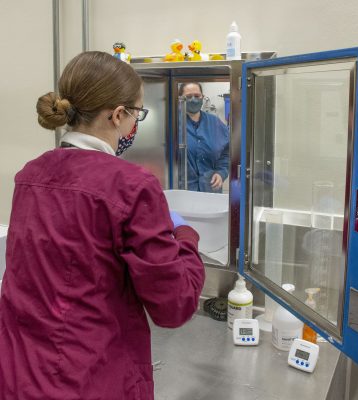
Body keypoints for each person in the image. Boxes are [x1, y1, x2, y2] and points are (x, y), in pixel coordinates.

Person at [0, 51, 205, 400]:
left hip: (21, 375)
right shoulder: (132, 185)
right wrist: (185, 235)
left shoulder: (29, 175)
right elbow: (174, 305)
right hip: (92, 378)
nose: (134, 125)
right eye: (136, 114)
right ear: (118, 115)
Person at [179, 82, 229, 193]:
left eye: (197, 96)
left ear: (202, 97)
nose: (193, 99)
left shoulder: (215, 122)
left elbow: (227, 153)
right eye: (188, 97)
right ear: (180, 99)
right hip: (183, 191)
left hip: (210, 189)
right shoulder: (173, 123)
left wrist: (221, 173)